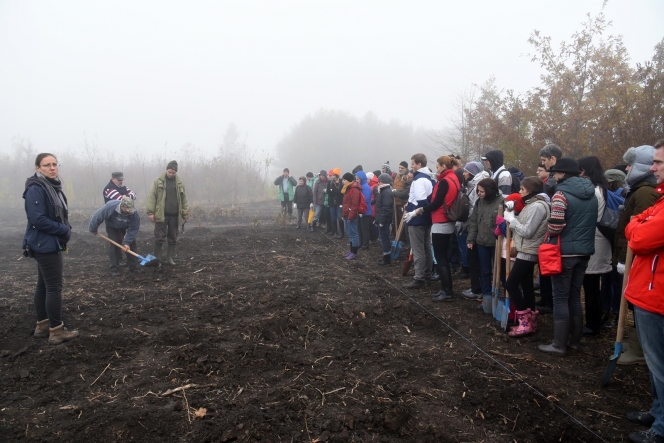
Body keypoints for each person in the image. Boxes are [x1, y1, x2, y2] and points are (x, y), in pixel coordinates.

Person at [623, 139, 664, 443]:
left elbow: (637, 239)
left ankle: (662, 427)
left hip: (658, 294)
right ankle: (658, 410)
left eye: (659, 163)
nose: (653, 168)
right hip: (647, 291)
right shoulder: (660, 200)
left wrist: (637, 224)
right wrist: (638, 223)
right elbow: (636, 225)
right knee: (654, 364)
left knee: (660, 365)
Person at [538, 158, 598, 354]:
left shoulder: (561, 194)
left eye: (555, 173)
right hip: (584, 251)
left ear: (563, 174)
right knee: (574, 297)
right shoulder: (591, 193)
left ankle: (558, 344)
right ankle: (574, 341)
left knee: (560, 298)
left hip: (564, 253)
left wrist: (547, 228)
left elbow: (556, 225)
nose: (553, 176)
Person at [22, 153, 78, 345]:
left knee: (44, 285)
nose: (52, 168)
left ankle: (43, 326)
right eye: (47, 165)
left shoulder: (52, 187)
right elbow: (38, 220)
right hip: (44, 243)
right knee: (54, 287)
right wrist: (63, 230)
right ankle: (56, 331)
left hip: (46, 242)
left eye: (54, 164)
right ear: (38, 168)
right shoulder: (36, 189)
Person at [614, 145, 659, 365]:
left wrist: (625, 258)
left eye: (630, 164)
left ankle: (639, 349)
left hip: (638, 258)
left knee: (638, 306)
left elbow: (639, 228)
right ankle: (637, 346)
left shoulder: (644, 192)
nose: (627, 168)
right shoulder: (638, 189)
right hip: (630, 252)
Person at [407, 156, 461, 301]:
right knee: (442, 256)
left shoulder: (445, 181)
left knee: (441, 258)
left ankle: (447, 292)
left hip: (441, 220)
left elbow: (436, 203)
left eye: (437, 167)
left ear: (444, 166)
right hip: (447, 220)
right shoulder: (454, 178)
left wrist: (418, 211)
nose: (436, 169)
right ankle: (444, 289)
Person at [503, 177, 550, 337]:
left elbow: (528, 231)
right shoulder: (532, 205)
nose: (520, 192)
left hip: (529, 251)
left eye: (523, 189)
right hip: (526, 249)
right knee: (527, 285)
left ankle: (524, 319)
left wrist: (512, 220)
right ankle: (531, 322)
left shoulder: (537, 206)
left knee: (511, 284)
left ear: (531, 190)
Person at [577, 156, 612, 337]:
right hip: (595, 241)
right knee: (591, 286)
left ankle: (592, 325)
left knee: (591, 287)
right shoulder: (600, 189)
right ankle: (593, 322)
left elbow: (589, 218)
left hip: (594, 242)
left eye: (581, 170)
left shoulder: (595, 192)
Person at [467, 178, 504, 313]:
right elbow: (474, 222)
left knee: (499, 271)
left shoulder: (501, 202)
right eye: (478, 191)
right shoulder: (479, 203)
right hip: (481, 242)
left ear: (489, 190)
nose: (479, 193)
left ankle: (498, 296)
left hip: (496, 243)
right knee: (485, 271)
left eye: (482, 191)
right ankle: (487, 298)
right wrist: (471, 239)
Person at [146, 160, 189, 266]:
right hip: (161, 215)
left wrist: (185, 213)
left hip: (175, 216)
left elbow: (184, 200)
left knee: (173, 237)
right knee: (159, 238)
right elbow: (152, 197)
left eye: (173, 173)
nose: (171, 174)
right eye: (169, 172)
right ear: (166, 170)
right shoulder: (158, 182)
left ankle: (170, 258)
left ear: (176, 172)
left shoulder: (179, 184)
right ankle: (157, 260)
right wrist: (151, 212)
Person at [402, 154, 435, 289]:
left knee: (418, 249)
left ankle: (419, 277)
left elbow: (422, 200)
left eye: (413, 163)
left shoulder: (418, 180)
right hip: (427, 218)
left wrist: (415, 210)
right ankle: (427, 273)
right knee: (426, 246)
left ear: (419, 164)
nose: (411, 166)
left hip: (417, 218)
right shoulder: (430, 178)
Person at [459, 161, 490, 300]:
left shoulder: (480, 185)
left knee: (476, 260)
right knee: (474, 260)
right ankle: (477, 288)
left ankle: (479, 289)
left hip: (476, 229)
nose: (464, 173)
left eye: (466, 171)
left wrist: (466, 221)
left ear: (472, 173)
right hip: (471, 226)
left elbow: (474, 209)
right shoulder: (471, 185)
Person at [89, 195, 141, 275]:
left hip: (125, 226)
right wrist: (93, 228)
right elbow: (97, 216)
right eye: (127, 210)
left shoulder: (134, 212)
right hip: (112, 226)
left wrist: (126, 243)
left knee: (131, 244)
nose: (129, 211)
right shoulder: (110, 207)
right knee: (114, 243)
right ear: (122, 206)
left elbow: (133, 228)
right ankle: (114, 269)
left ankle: (133, 268)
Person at [341, 172, 362, 260]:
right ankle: (351, 251)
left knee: (354, 234)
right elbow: (345, 203)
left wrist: (350, 216)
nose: (343, 182)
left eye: (345, 180)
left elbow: (354, 204)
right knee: (349, 234)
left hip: (352, 215)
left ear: (349, 180)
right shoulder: (347, 188)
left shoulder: (354, 189)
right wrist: (343, 214)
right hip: (347, 214)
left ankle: (354, 252)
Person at [375, 173, 394, 266]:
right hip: (382, 219)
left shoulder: (386, 192)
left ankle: (387, 259)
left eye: (380, 181)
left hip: (384, 221)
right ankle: (385, 257)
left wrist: (382, 221)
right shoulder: (383, 191)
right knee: (383, 238)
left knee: (385, 239)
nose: (378, 183)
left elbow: (386, 208)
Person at [355, 171, 373, 249]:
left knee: (364, 228)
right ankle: (361, 242)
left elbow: (365, 200)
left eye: (358, 179)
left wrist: (361, 208)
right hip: (360, 211)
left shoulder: (365, 187)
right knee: (359, 228)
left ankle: (365, 244)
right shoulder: (360, 186)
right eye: (356, 179)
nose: (356, 180)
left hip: (365, 211)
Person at [327, 169, 344, 238]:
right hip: (331, 202)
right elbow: (328, 191)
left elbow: (342, 192)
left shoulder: (342, 182)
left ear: (337, 175)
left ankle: (342, 233)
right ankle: (335, 232)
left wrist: (333, 190)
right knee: (333, 217)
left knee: (339, 217)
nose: (332, 176)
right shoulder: (330, 183)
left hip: (339, 202)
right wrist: (336, 191)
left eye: (333, 175)